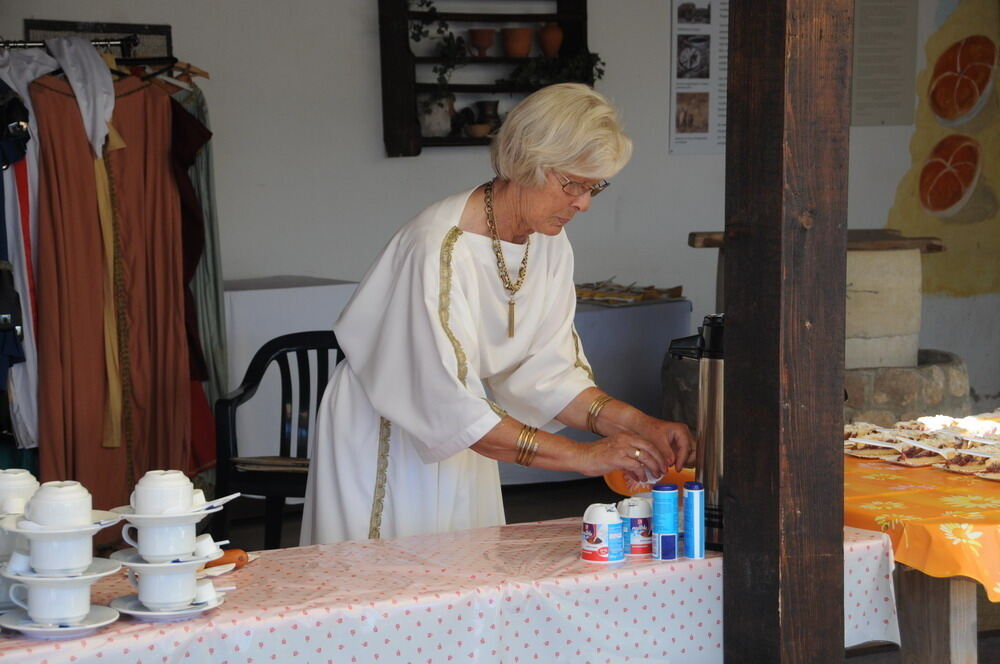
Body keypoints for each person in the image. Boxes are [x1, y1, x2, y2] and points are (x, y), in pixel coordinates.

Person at [301, 83, 696, 544]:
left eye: (595, 188)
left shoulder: (547, 242)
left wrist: (640, 425)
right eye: (573, 184)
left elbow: (548, 375)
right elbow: (450, 409)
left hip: (469, 428)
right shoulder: (439, 246)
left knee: (467, 579)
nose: (583, 203)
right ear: (527, 162)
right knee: (388, 591)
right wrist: (584, 457)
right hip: (389, 435)